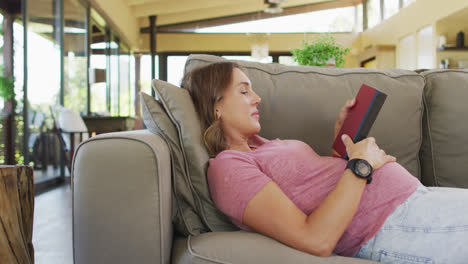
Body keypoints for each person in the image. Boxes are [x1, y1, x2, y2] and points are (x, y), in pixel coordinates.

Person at [181, 61, 468, 264]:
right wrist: (360, 166)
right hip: (391, 224)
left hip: (417, 200)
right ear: (216, 105)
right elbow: (316, 238)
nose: (257, 98)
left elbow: (315, 191)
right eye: (244, 91)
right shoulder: (228, 169)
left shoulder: (261, 146)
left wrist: (342, 140)